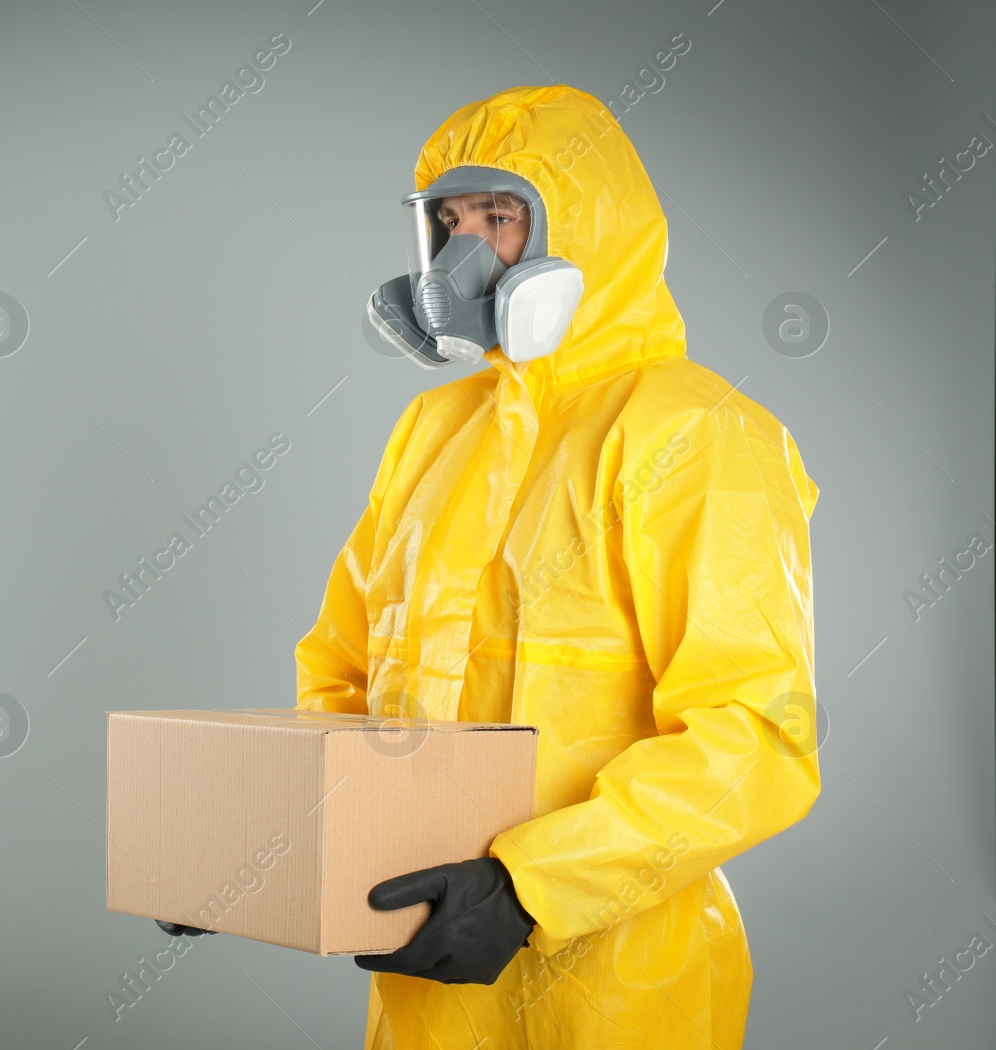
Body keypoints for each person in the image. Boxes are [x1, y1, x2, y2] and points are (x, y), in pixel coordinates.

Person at [293, 84, 821, 1048]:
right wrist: (277, 843)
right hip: (430, 969)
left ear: (590, 228)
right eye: (447, 221)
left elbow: (754, 734)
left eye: (499, 216)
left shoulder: (692, 433)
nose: (464, 254)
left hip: (616, 984)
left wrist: (530, 884)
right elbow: (342, 672)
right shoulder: (433, 429)